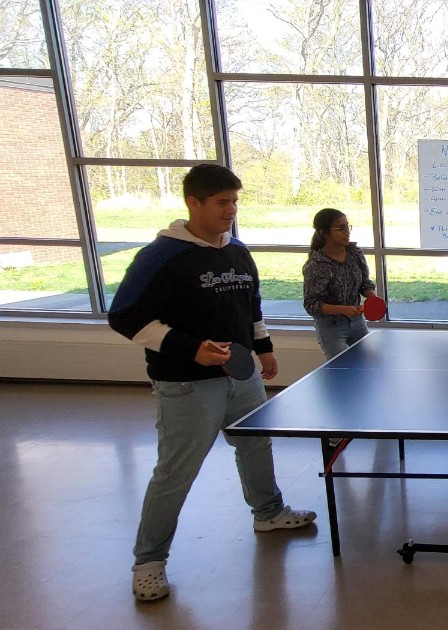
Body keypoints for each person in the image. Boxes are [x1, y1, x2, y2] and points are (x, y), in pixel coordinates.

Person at [109, 164, 317, 602]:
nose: (231, 211)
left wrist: (263, 347)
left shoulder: (237, 251)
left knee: (256, 444)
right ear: (194, 202)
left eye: (235, 202)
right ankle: (149, 561)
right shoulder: (161, 256)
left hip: (241, 378)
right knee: (175, 472)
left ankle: (268, 512)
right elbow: (124, 316)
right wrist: (188, 348)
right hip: (186, 383)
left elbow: (251, 304)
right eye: (223, 203)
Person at [302, 208, 377, 359]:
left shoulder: (355, 253)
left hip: (356, 321)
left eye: (348, 227)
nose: (347, 232)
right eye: (340, 228)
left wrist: (372, 297)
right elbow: (311, 304)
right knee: (341, 370)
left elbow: (364, 283)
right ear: (323, 232)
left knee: (367, 365)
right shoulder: (317, 264)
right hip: (331, 326)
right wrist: (343, 309)